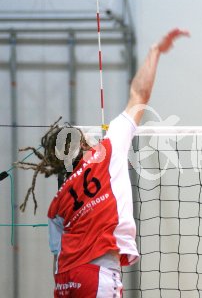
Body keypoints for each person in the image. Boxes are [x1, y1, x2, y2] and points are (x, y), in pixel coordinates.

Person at [15, 28, 189, 297]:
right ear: (83, 143)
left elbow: (57, 252)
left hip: (64, 280)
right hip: (96, 275)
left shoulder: (57, 204)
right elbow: (139, 95)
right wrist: (155, 50)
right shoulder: (108, 151)